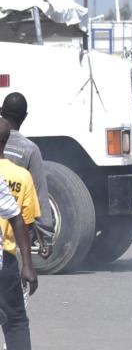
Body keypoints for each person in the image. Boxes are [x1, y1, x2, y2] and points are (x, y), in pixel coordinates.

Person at [0, 118, 39, 348]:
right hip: (7, 258)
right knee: (15, 322)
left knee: (15, 321)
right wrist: (28, 263)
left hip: (5, 262)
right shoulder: (21, 175)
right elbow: (23, 218)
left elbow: (16, 216)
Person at [0, 93, 53, 248]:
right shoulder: (29, 150)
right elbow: (40, 195)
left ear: (1, 111)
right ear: (25, 116)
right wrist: (46, 238)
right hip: (14, 239)